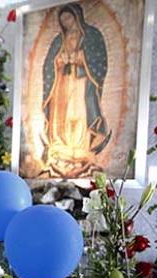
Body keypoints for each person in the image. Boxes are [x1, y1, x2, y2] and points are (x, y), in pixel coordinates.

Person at [41, 3, 111, 178]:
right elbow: (49, 63)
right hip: (62, 82)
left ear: (77, 17)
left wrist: (81, 58)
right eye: (62, 20)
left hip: (81, 81)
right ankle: (60, 145)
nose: (66, 23)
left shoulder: (91, 36)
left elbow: (99, 59)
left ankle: (79, 147)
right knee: (60, 115)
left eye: (68, 18)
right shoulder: (59, 40)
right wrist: (59, 60)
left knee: (79, 113)